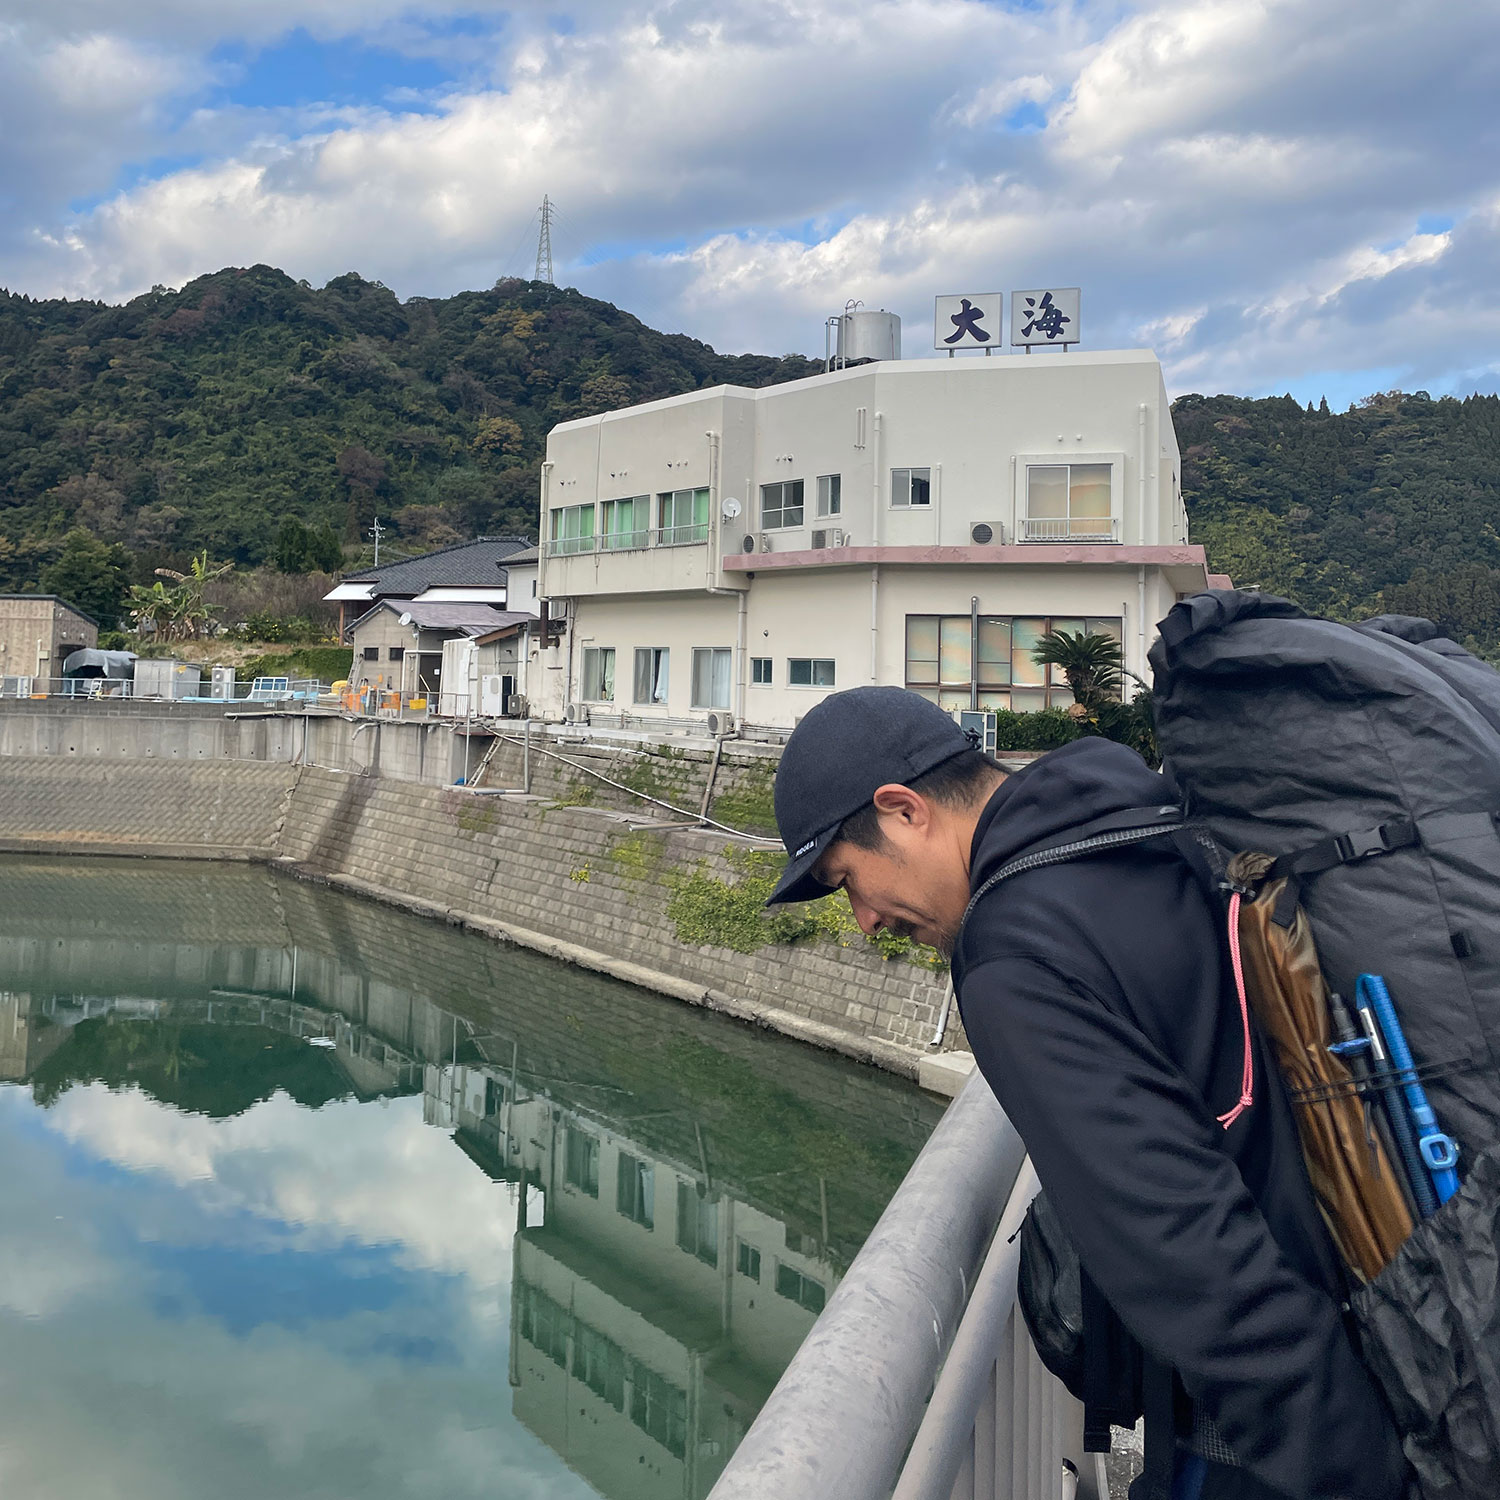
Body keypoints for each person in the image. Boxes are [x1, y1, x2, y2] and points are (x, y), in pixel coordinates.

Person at [764, 685, 1406, 1500]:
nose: (862, 920)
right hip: (1397, 1319)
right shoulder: (1132, 818)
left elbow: (1189, 1252)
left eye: (847, 878)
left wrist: (1366, 1474)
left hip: (1294, 1440)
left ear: (902, 810)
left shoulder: (1014, 960)